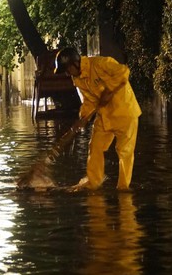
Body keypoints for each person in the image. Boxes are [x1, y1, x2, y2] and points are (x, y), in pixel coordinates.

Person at [54, 47, 141, 190]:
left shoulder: (100, 64)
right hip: (104, 116)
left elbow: (123, 71)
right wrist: (83, 118)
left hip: (124, 112)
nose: (67, 73)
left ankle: (123, 187)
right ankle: (94, 182)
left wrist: (109, 90)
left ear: (75, 63)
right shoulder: (77, 79)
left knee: (124, 151)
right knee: (95, 147)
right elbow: (89, 101)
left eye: (67, 69)